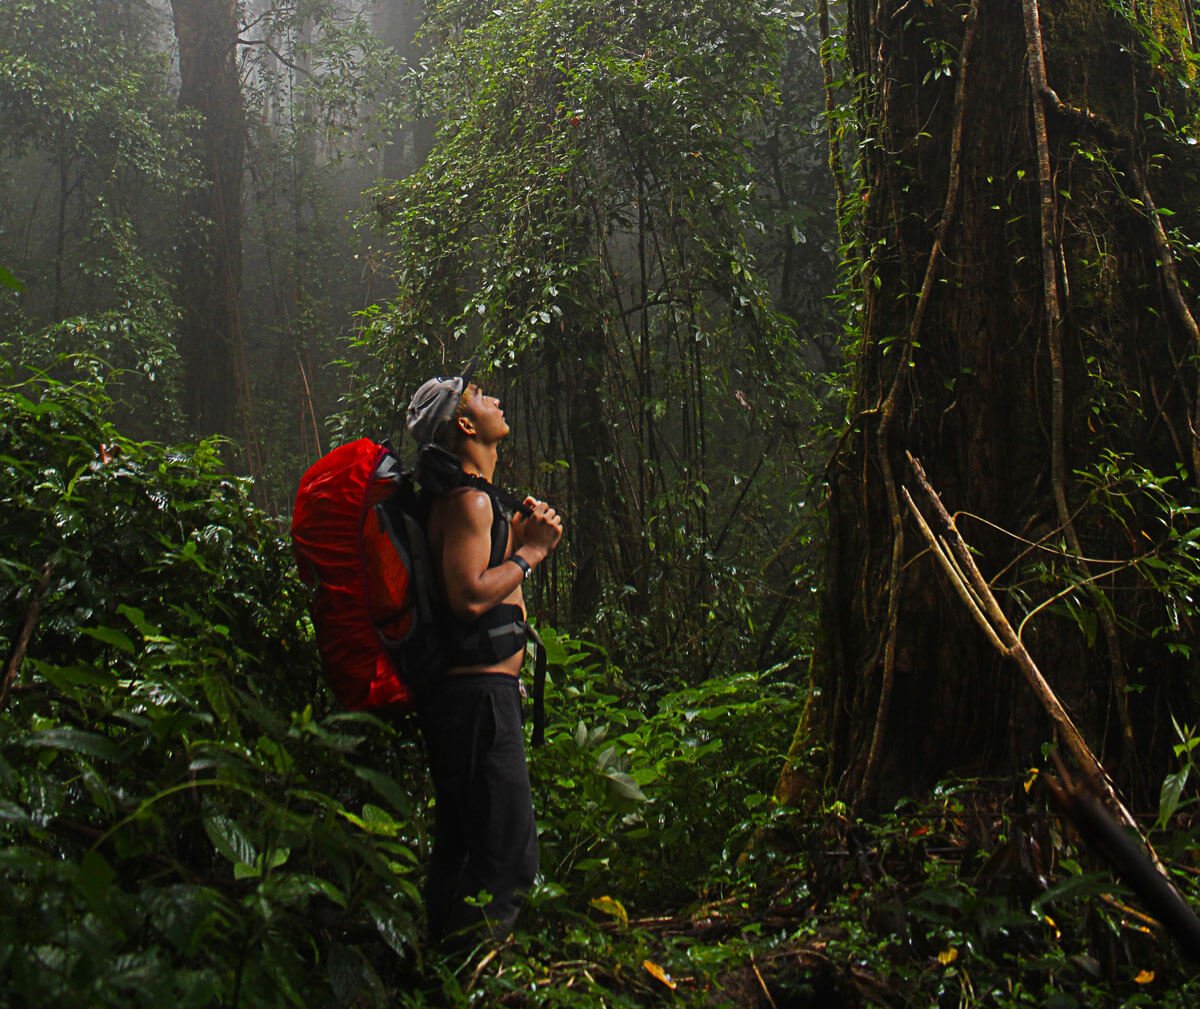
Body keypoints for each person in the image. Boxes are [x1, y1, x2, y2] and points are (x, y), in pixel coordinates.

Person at [405, 362, 564, 949]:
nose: (493, 398)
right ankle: (481, 981)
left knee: (461, 847)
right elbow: (469, 596)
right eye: (479, 395)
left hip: (469, 699)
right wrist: (532, 552)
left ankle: (437, 968)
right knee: (506, 857)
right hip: (478, 702)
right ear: (466, 424)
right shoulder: (468, 503)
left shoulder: (471, 500)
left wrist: (518, 539)